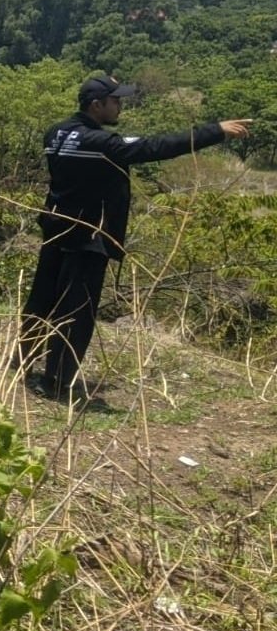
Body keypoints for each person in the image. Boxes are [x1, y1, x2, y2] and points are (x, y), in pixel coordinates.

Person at [18, 75, 250, 401]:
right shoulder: (101, 144)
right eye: (115, 101)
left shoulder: (55, 134)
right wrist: (215, 131)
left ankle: (21, 362)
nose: (120, 106)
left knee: (42, 300)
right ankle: (56, 382)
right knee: (77, 312)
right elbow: (156, 147)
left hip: (57, 228)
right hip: (89, 236)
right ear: (96, 105)